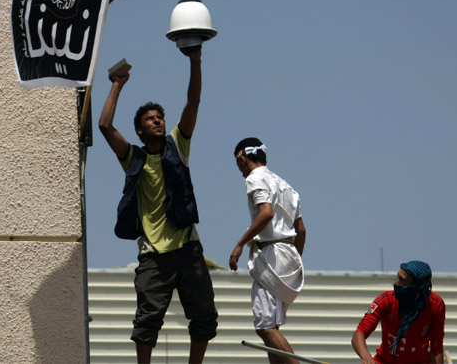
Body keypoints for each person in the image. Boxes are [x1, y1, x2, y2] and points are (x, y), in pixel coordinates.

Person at [98, 45, 217, 364]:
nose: (157, 121)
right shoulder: (133, 157)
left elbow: (193, 101)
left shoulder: (178, 145)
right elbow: (105, 126)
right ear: (140, 129)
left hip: (187, 248)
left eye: (160, 117)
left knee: (205, 317)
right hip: (153, 255)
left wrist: (195, 59)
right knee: (147, 322)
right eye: (150, 119)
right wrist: (117, 85)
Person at [229, 137, 306, 364]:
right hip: (289, 255)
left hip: (271, 256)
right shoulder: (287, 186)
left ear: (242, 159)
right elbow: (301, 230)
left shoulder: (255, 178)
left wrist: (240, 243)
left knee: (265, 327)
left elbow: (266, 213)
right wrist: (293, 260)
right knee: (272, 328)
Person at [352, 261, 446, 364]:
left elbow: (436, 350)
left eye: (401, 279)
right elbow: (359, 333)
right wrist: (366, 357)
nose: (396, 283)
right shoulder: (385, 301)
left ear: (416, 286)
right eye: (397, 277)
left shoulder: (436, 306)